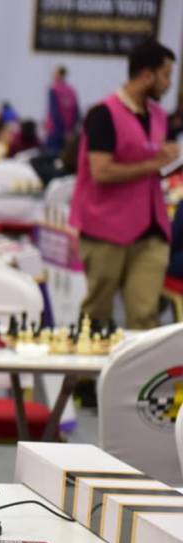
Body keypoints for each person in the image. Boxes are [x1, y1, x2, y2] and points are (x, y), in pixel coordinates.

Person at [70, 38, 179, 329]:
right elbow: (101, 172)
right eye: (166, 75)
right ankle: (86, 360)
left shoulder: (159, 116)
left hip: (152, 230)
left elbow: (157, 164)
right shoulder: (103, 114)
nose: (169, 83)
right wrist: (154, 163)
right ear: (147, 75)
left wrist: (170, 161)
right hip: (105, 228)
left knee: (145, 316)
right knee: (97, 316)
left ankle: (143, 362)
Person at [45, 66, 80, 152]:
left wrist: (62, 131)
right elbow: (76, 113)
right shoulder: (71, 90)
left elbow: (54, 112)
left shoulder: (54, 89)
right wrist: (70, 130)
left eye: (54, 72)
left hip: (55, 131)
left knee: (52, 156)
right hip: (69, 132)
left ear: (59, 74)